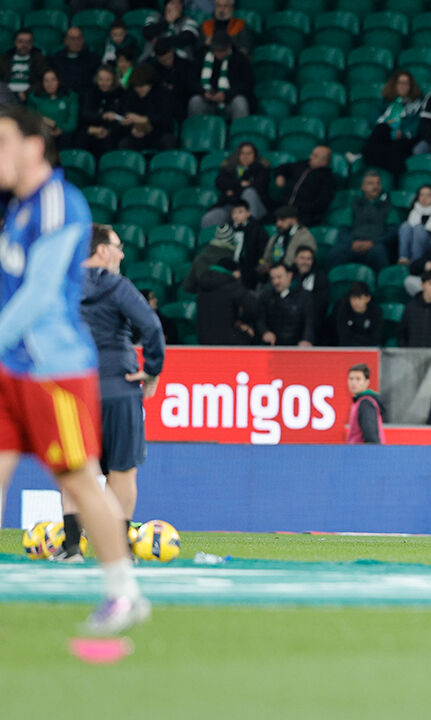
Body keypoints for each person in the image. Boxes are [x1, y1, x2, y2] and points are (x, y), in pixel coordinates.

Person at [0, 106, 147, 633]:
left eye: (3, 143)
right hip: (12, 366)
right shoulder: (18, 210)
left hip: (54, 371)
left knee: (82, 482)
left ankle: (124, 593)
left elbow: (39, 295)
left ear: (33, 147)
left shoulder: (60, 203)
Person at [60, 224, 165, 562]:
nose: (121, 254)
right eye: (118, 247)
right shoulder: (118, 286)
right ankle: (118, 551)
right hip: (118, 389)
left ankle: (72, 547)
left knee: (78, 472)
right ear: (102, 251)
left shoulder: (61, 286)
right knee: (122, 472)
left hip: (75, 390)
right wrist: (151, 370)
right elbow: (151, 327)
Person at [361, 70, 425, 175]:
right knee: (381, 129)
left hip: (404, 139)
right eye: (400, 83)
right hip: (385, 135)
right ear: (394, 85)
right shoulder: (383, 102)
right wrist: (387, 124)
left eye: (406, 83)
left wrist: (403, 132)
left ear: (411, 86)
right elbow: (372, 121)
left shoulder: (417, 104)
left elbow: (417, 124)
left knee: (395, 148)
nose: (403, 86)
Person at [330, 170, 393, 271]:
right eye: (371, 183)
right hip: (353, 242)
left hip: (375, 244)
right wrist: (352, 242)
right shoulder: (353, 205)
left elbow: (392, 231)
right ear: (362, 187)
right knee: (336, 253)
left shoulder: (388, 206)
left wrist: (373, 242)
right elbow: (343, 230)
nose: (375, 186)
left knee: (380, 253)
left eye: (378, 183)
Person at [187, 32, 252, 122]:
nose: (218, 54)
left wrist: (226, 95)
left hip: (229, 100)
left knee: (240, 102)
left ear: (228, 47)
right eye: (215, 51)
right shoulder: (201, 57)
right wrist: (203, 92)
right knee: (195, 101)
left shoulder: (240, 59)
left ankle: (240, 132)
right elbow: (191, 81)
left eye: (221, 51)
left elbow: (246, 84)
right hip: (207, 99)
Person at [203, 141, 270, 227]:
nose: (246, 157)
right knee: (209, 218)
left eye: (249, 154)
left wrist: (233, 190)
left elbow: (259, 186)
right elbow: (220, 182)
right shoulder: (229, 168)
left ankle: (249, 229)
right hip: (231, 206)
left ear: (255, 155)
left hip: (254, 207)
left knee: (249, 192)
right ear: (238, 155)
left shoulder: (261, 169)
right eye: (242, 153)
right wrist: (240, 183)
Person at [113, 63, 177, 152]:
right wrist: (131, 129)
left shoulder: (163, 94)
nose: (139, 90)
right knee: (124, 143)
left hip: (158, 133)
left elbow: (166, 120)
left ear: (150, 84)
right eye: (136, 87)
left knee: (168, 141)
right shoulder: (130, 95)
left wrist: (146, 120)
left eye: (142, 86)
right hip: (136, 135)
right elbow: (123, 115)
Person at [183, 221, 257, 294]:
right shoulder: (235, 259)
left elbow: (188, 286)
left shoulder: (200, 257)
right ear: (232, 240)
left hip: (205, 301)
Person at [196, 257, 257, 344]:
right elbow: (253, 307)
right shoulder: (232, 285)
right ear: (235, 272)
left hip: (203, 340)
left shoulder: (203, 285)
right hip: (228, 342)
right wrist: (243, 321)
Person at [273, 145, 336, 228]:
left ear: (324, 161)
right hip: (283, 207)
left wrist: (296, 210)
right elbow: (282, 167)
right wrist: (280, 175)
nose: (311, 157)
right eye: (312, 154)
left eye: (315, 156)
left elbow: (320, 205)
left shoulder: (327, 179)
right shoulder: (302, 165)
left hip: (303, 216)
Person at [256, 262, 314, 347]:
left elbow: (309, 321)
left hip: (296, 346)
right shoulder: (266, 296)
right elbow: (259, 319)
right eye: (273, 278)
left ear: (289, 275)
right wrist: (265, 332)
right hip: (273, 346)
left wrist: (307, 339)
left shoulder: (304, 296)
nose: (276, 281)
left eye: (279, 277)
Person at [146, 37, 197, 121]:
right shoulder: (153, 69)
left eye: (169, 58)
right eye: (163, 60)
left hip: (181, 102)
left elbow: (189, 87)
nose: (167, 62)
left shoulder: (185, 65)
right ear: (157, 58)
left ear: (172, 52)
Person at [77, 66, 124, 156]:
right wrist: (102, 117)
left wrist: (108, 131)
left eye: (108, 80)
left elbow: (122, 118)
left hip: (111, 132)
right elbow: (85, 114)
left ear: (113, 80)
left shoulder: (120, 94)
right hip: (92, 129)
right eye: (101, 79)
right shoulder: (90, 93)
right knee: (81, 137)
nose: (104, 83)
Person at [260, 206, 317, 280]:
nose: (278, 224)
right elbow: (265, 259)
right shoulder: (277, 236)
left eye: (282, 220)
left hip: (294, 278)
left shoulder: (305, 237)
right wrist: (263, 265)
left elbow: (306, 264)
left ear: (294, 220)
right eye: (277, 220)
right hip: (272, 275)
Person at [26, 69, 77, 151]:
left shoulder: (70, 96)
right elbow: (30, 120)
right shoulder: (34, 97)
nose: (50, 84)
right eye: (46, 80)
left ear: (59, 81)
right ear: (41, 82)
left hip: (63, 136)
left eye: (53, 80)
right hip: (41, 134)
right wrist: (45, 128)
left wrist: (58, 128)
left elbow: (72, 124)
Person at [399, 270, 431, 348]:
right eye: (430, 284)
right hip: (412, 354)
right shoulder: (411, 307)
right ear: (422, 285)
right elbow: (402, 332)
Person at [398, 184, 431, 266]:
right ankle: (403, 258)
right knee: (405, 226)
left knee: (419, 228)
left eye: (428, 195)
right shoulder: (414, 210)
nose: (424, 198)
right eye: (422, 195)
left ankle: (416, 261)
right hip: (412, 241)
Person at [0, 29, 50, 103]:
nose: (24, 45)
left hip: (29, 96)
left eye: (27, 42)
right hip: (6, 96)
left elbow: (44, 80)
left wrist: (27, 92)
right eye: (20, 41)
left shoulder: (39, 59)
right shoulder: (4, 59)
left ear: (32, 44)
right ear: (15, 42)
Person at [49, 27, 99, 98]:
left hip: (86, 98)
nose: (76, 42)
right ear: (65, 41)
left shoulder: (93, 58)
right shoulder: (57, 59)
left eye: (79, 38)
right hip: (63, 97)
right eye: (72, 39)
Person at [332, 281, 383, 347]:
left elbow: (376, 338)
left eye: (359, 298)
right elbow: (344, 337)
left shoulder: (376, 312)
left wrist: (355, 338)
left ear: (367, 298)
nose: (356, 302)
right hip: (347, 350)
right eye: (353, 298)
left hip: (369, 350)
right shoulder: (343, 311)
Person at [346, 363, 385, 444]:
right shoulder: (359, 402)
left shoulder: (366, 403)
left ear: (367, 382)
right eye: (351, 379)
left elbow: (371, 437)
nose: (353, 382)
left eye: (358, 379)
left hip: (362, 455)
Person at [292, 245, 329, 328]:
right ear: (295, 259)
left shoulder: (319, 278)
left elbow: (321, 304)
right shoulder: (289, 275)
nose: (305, 262)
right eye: (302, 258)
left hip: (310, 320)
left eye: (309, 259)